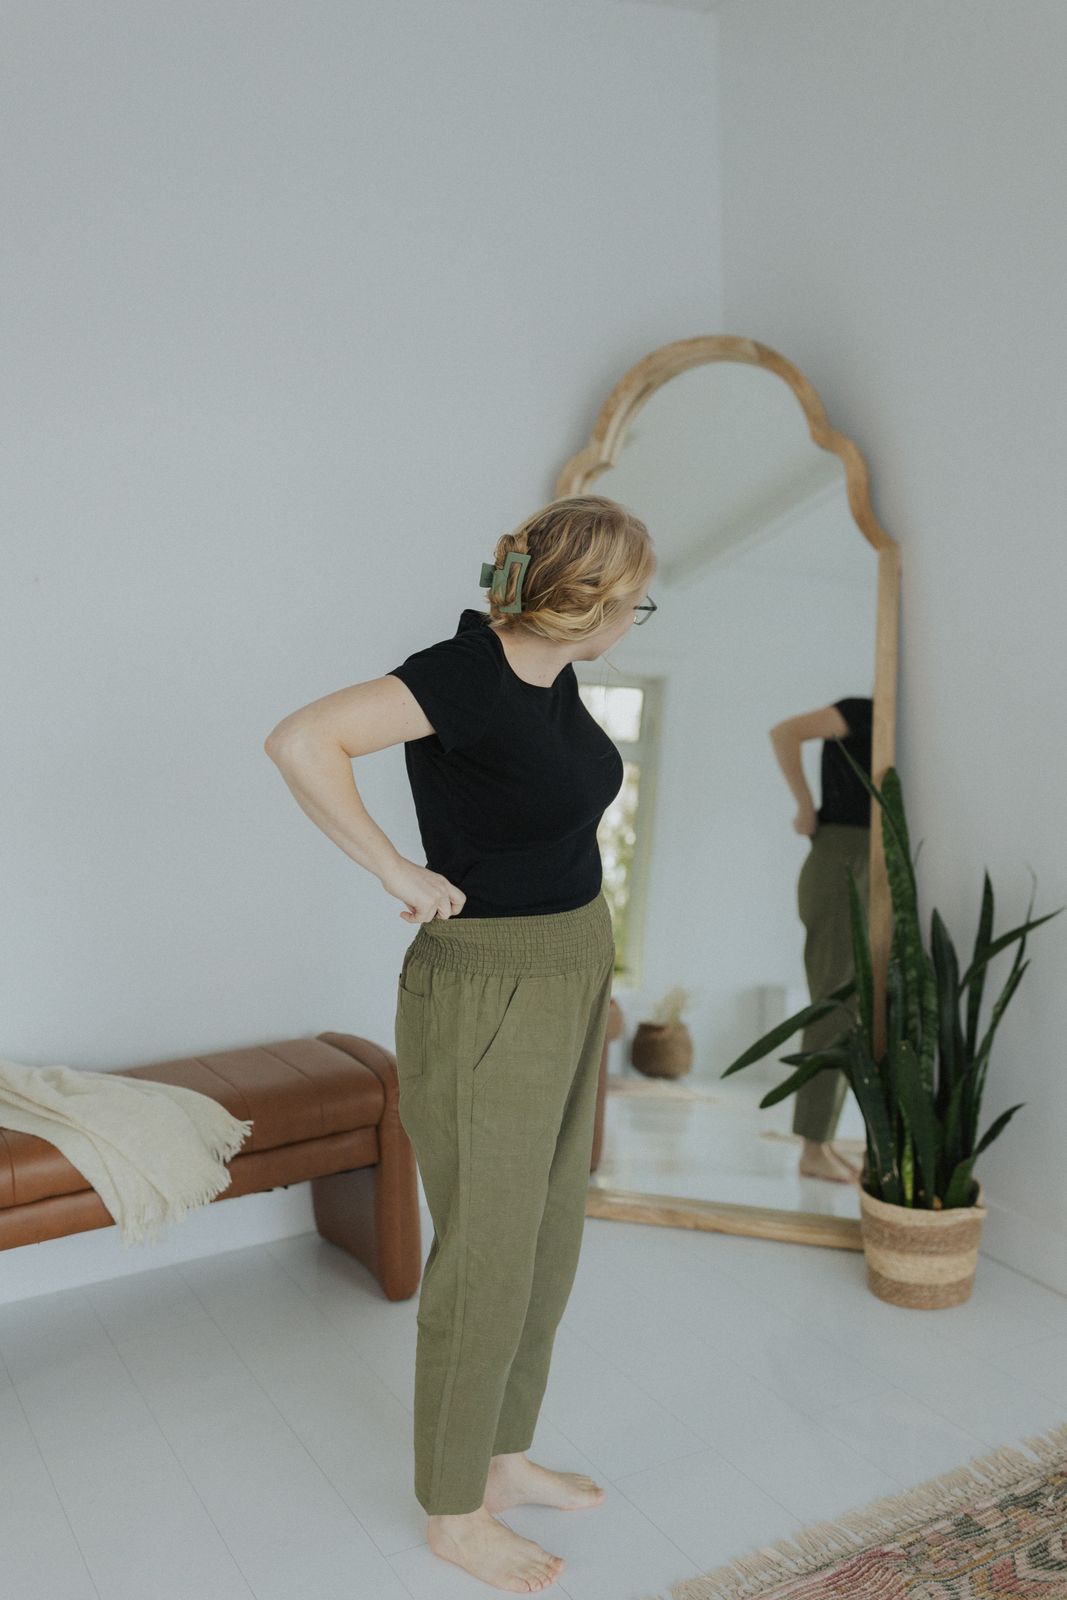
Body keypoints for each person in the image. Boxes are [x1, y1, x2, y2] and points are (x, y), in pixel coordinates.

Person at [265, 494, 656, 1594]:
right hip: (487, 987)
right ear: (583, 605)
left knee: (547, 1231)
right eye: (633, 603)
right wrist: (395, 870)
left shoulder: (551, 670)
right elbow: (301, 740)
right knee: (483, 1251)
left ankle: (502, 1453)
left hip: (575, 956)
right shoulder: (464, 671)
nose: (635, 619)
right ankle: (451, 1508)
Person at [768, 696, 873, 1186]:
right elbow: (784, 731)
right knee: (833, 1005)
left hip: (879, 859)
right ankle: (813, 1147)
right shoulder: (863, 710)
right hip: (842, 856)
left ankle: (831, 1143)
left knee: (868, 1010)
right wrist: (805, 807)